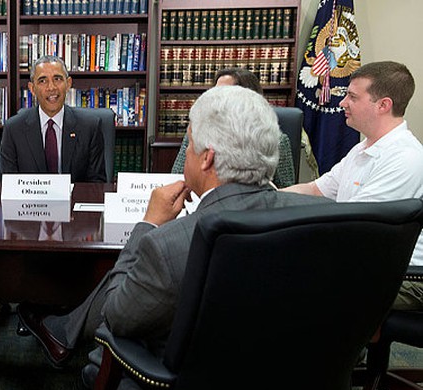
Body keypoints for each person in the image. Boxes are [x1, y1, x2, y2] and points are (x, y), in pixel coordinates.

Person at [17, 86, 332, 371]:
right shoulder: (328, 223)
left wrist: (147, 224)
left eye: (191, 145)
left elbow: (116, 314)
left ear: (207, 159)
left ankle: (61, 328)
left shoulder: (169, 245)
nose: (188, 157)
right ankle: (63, 327)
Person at [284, 61, 423, 310]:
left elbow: (358, 227)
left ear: (383, 105)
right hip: (368, 258)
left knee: (305, 285)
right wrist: (264, 196)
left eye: (352, 97)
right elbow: (315, 189)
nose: (342, 103)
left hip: (407, 274)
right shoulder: (362, 149)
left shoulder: (405, 158)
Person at [170, 67, 296, 188]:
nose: (214, 98)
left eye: (224, 93)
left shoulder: (277, 141)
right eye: (214, 92)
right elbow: (176, 177)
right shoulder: (196, 132)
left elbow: (287, 191)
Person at [0, 55, 106, 182]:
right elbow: (8, 184)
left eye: (57, 79)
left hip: (75, 200)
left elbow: (96, 185)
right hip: (31, 201)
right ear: (32, 89)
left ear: (68, 84)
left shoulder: (90, 127)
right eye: (42, 81)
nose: (51, 87)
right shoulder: (13, 129)